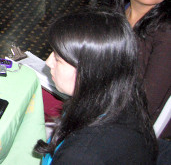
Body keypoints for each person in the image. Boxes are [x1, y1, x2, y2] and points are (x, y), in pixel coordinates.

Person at [34, 11, 158, 164]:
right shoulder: (126, 94)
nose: (48, 62)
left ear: (89, 71)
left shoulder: (81, 155)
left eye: (58, 59)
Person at [110, 0, 171, 139]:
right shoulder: (118, 14)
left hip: (137, 127)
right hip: (110, 102)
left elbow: (147, 104)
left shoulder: (166, 32)